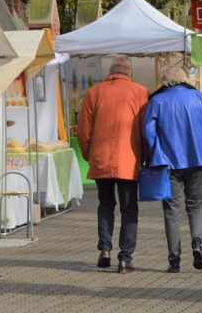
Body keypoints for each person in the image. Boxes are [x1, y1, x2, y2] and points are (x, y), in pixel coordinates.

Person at [143, 67, 202, 273]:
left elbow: (148, 130)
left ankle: (174, 259)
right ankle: (197, 242)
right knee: (196, 204)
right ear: (185, 79)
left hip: (168, 162)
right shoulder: (199, 97)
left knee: (171, 210)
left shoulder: (157, 101)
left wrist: (156, 152)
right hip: (197, 159)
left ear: (164, 80)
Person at [76, 55, 148, 274]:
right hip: (129, 159)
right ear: (130, 72)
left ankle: (105, 249)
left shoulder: (94, 92)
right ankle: (125, 258)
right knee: (129, 209)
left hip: (102, 157)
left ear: (111, 72)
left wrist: (89, 154)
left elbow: (82, 130)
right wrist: (145, 157)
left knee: (105, 204)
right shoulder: (141, 93)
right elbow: (147, 129)